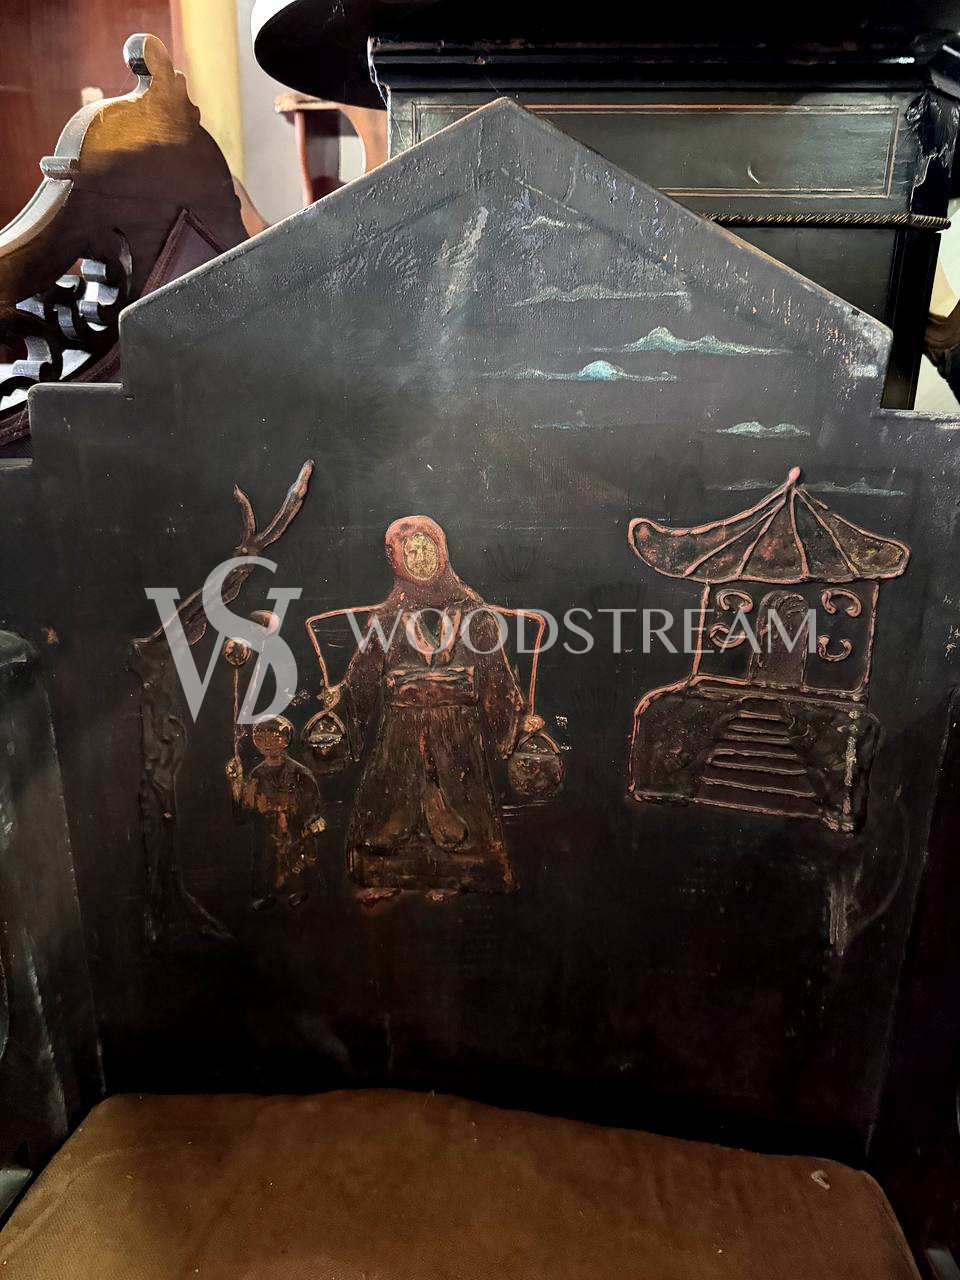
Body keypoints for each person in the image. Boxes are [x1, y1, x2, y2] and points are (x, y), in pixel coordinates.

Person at [326, 516, 524, 895]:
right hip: (401, 731)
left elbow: (496, 674)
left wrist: (512, 728)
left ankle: (467, 876)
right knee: (390, 806)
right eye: (411, 552)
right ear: (396, 560)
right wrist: (344, 700)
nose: (421, 559)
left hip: (458, 731)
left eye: (426, 549)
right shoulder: (387, 619)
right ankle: (384, 873)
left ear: (441, 551)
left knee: (465, 805)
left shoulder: (474, 614)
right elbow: (364, 672)